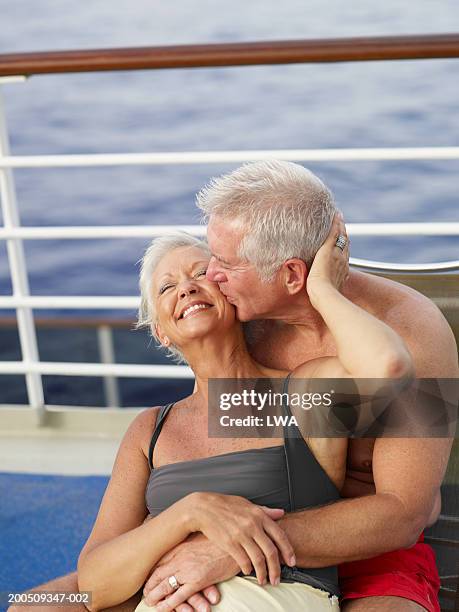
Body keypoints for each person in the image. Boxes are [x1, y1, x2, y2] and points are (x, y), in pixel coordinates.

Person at [8, 220, 415, 612]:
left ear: (232, 297)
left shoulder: (302, 393)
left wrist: (322, 288)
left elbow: (387, 365)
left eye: (201, 273)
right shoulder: (150, 429)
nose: (185, 288)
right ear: (161, 332)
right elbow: (94, 585)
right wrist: (191, 513)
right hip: (163, 599)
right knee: (27, 604)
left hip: (274, 597)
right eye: (167, 287)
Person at [140, 160, 457, 612]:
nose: (210, 275)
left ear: (292, 275)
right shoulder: (243, 319)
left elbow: (406, 514)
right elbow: (215, 437)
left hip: (367, 552)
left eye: (227, 264)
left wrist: (324, 292)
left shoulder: (413, 329)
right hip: (242, 525)